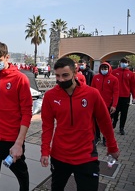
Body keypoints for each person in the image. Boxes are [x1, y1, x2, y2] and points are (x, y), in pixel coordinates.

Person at [40, 57, 120, 191]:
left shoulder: (91, 94)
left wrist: (112, 147)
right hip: (60, 156)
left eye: (65, 75)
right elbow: (47, 126)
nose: (61, 80)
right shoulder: (50, 96)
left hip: (86, 156)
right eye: (57, 76)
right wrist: (44, 151)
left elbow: (104, 121)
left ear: (75, 73)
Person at [0, 41, 33, 191]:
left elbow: (27, 112)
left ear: (7, 57)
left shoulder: (20, 79)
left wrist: (19, 143)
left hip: (12, 138)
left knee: (21, 173)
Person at [91, 62, 119, 146]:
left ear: (109, 69)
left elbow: (116, 93)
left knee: (107, 123)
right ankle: (97, 137)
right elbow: (92, 90)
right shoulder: (96, 77)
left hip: (108, 105)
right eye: (102, 69)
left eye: (105, 69)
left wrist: (114, 105)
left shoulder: (114, 79)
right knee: (95, 122)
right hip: (97, 104)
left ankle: (105, 138)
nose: (104, 70)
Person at [111, 57, 135, 135]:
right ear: (120, 62)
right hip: (116, 96)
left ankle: (122, 128)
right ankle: (114, 122)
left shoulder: (131, 74)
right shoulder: (114, 72)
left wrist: (134, 96)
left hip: (126, 96)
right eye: (122, 62)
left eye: (125, 62)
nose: (124, 63)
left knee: (124, 113)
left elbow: (132, 86)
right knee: (115, 112)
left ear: (128, 64)